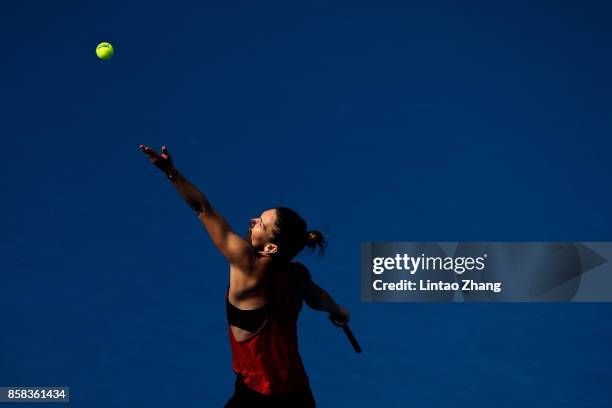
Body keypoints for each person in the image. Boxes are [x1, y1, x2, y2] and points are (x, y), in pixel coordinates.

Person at [139, 144, 350, 407]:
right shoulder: (297, 274)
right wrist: (338, 311)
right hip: (299, 394)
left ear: (271, 247)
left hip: (256, 397)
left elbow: (203, 209)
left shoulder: (247, 264)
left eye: (260, 223)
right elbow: (317, 298)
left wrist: (170, 172)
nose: (252, 221)